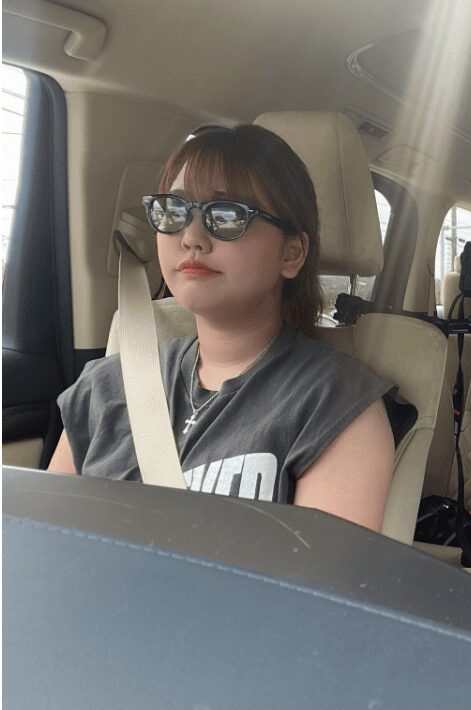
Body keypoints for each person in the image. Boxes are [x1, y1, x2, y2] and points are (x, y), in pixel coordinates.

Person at [47, 125, 396, 532]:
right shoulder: (107, 386)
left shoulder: (335, 403)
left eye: (228, 215)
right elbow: (46, 538)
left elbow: (318, 570)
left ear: (291, 253)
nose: (191, 237)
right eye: (174, 211)